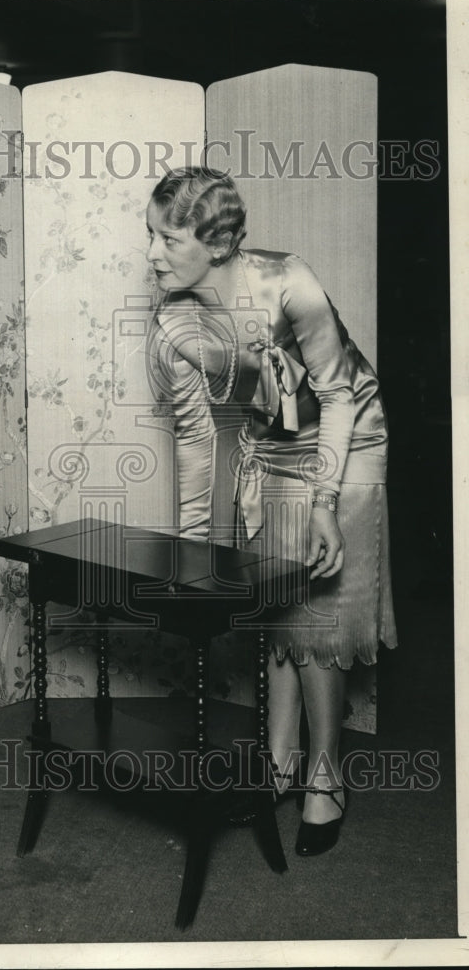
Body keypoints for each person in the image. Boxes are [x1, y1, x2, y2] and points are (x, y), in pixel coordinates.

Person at [146, 166, 397, 856]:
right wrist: (194, 545)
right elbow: (199, 436)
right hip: (273, 446)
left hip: (349, 440)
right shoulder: (174, 316)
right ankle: (280, 765)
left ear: (219, 242)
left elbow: (340, 395)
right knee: (281, 600)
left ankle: (326, 776)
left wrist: (324, 502)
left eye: (169, 238)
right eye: (153, 235)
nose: (153, 254)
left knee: (322, 605)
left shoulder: (290, 283)